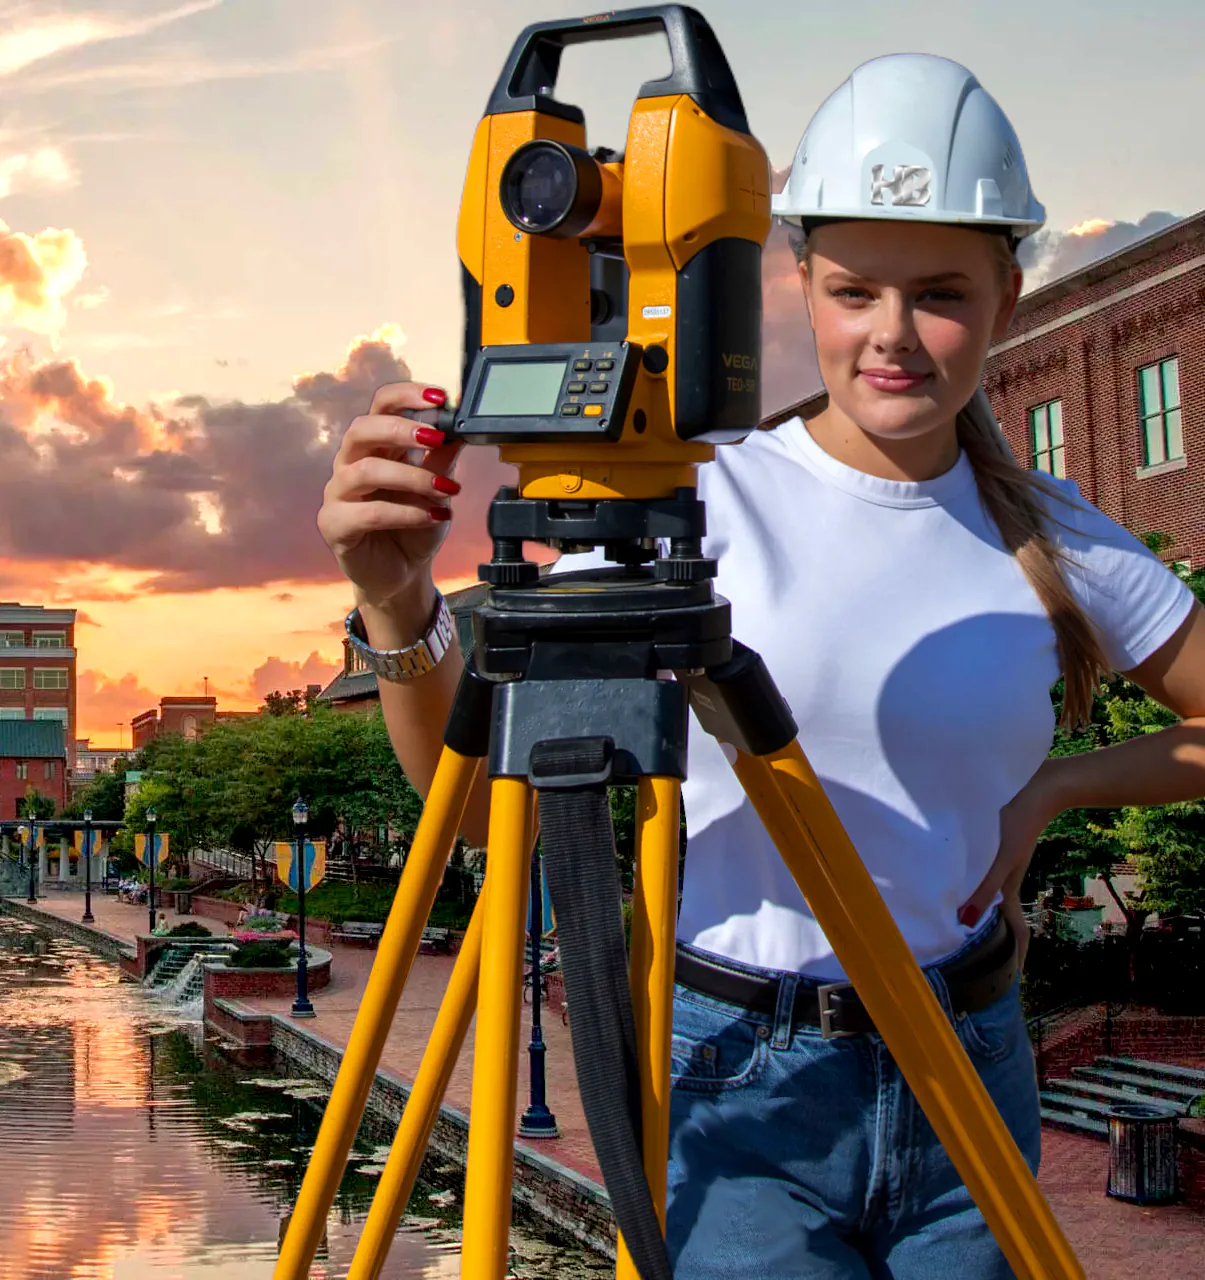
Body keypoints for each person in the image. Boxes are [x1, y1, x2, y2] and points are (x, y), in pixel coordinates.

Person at [316, 53, 1205, 1278]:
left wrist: (1055, 786)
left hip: (968, 1050)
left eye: (940, 292)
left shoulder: (1050, 532)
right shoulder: (693, 504)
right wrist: (395, 595)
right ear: (797, 282)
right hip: (737, 1073)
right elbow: (468, 808)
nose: (892, 335)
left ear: (1006, 292)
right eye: (853, 290)